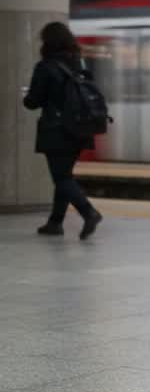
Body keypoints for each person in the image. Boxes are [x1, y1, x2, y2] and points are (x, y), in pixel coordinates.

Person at [22, 22, 102, 240]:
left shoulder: (46, 67)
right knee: (64, 175)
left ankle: (89, 212)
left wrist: (26, 96)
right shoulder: (79, 62)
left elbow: (33, 102)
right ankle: (55, 223)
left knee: (62, 178)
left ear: (48, 42)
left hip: (57, 130)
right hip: (81, 128)